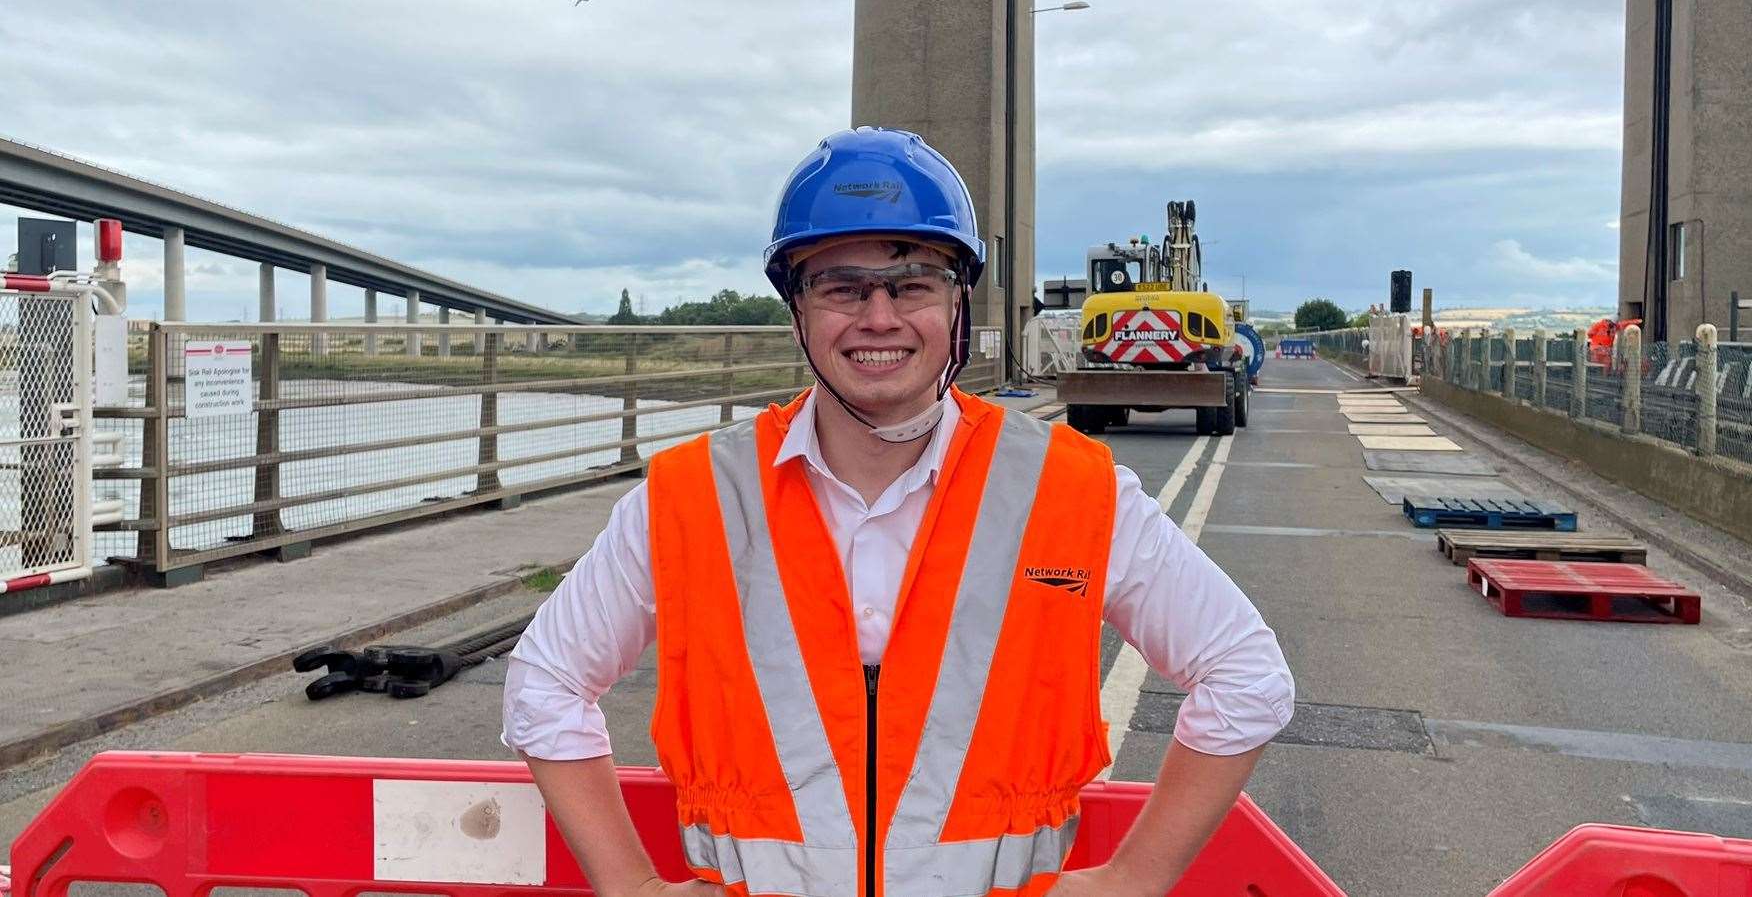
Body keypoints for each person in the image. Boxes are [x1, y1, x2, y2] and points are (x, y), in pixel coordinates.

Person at [503, 126, 1294, 897]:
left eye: (912, 283)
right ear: (798, 309)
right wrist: (629, 883)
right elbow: (545, 683)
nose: (878, 317)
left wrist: (1133, 880)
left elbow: (1246, 676)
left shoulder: (1073, 490)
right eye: (841, 286)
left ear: (956, 304)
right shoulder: (689, 498)